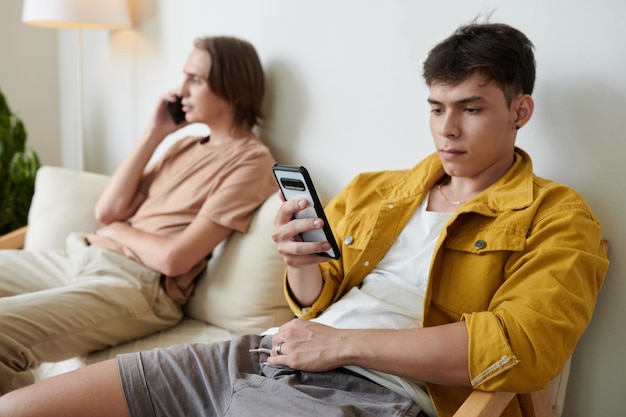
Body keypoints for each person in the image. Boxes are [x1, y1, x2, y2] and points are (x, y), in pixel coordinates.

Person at [0, 21, 609, 417]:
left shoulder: (559, 217)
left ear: (520, 109)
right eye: (436, 107)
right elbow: (312, 304)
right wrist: (299, 266)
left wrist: (338, 343)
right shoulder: (381, 191)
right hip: (266, 354)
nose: (446, 129)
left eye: (471, 109)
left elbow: (523, 348)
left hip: (368, 394)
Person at [0, 36, 278, 395]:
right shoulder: (183, 144)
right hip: (83, 256)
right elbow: (107, 210)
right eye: (184, 78)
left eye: (195, 80)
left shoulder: (251, 161)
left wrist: (117, 231)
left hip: (136, 286)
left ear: (234, 91)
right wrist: (155, 132)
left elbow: (175, 258)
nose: (180, 91)